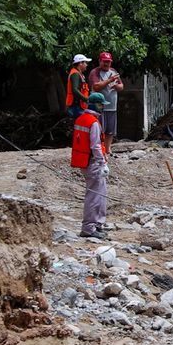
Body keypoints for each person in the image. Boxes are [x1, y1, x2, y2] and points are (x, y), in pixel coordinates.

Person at [73, 92, 109, 239]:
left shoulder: (81, 119)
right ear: (96, 105)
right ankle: (89, 228)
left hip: (85, 162)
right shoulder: (93, 122)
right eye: (101, 105)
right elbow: (96, 146)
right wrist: (103, 163)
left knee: (99, 194)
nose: (102, 108)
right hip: (93, 162)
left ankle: (96, 225)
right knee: (95, 196)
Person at [88, 51, 124, 154]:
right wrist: (109, 80)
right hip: (99, 107)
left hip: (112, 105)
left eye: (108, 62)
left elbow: (121, 86)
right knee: (99, 130)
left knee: (110, 130)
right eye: (104, 61)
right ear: (100, 61)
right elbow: (96, 86)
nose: (106, 64)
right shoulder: (95, 72)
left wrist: (116, 86)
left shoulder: (113, 71)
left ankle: (108, 149)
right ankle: (98, 150)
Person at [64, 54, 89, 121]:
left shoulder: (78, 74)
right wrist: (86, 99)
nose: (86, 65)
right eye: (85, 63)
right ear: (80, 63)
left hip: (78, 106)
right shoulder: (75, 74)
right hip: (76, 107)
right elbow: (75, 90)